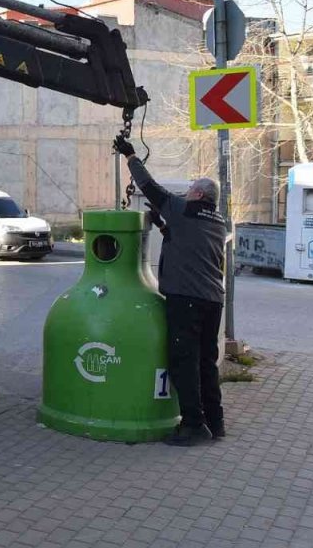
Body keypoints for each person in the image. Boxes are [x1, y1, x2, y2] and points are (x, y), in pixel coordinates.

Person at [114, 135, 227, 446]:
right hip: (212, 302)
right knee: (207, 362)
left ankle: (193, 426)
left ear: (199, 194)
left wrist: (131, 156)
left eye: (190, 189)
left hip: (186, 300)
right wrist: (166, 227)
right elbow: (195, 247)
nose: (186, 192)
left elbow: (150, 186)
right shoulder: (218, 221)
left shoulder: (184, 209)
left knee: (184, 361)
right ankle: (216, 423)